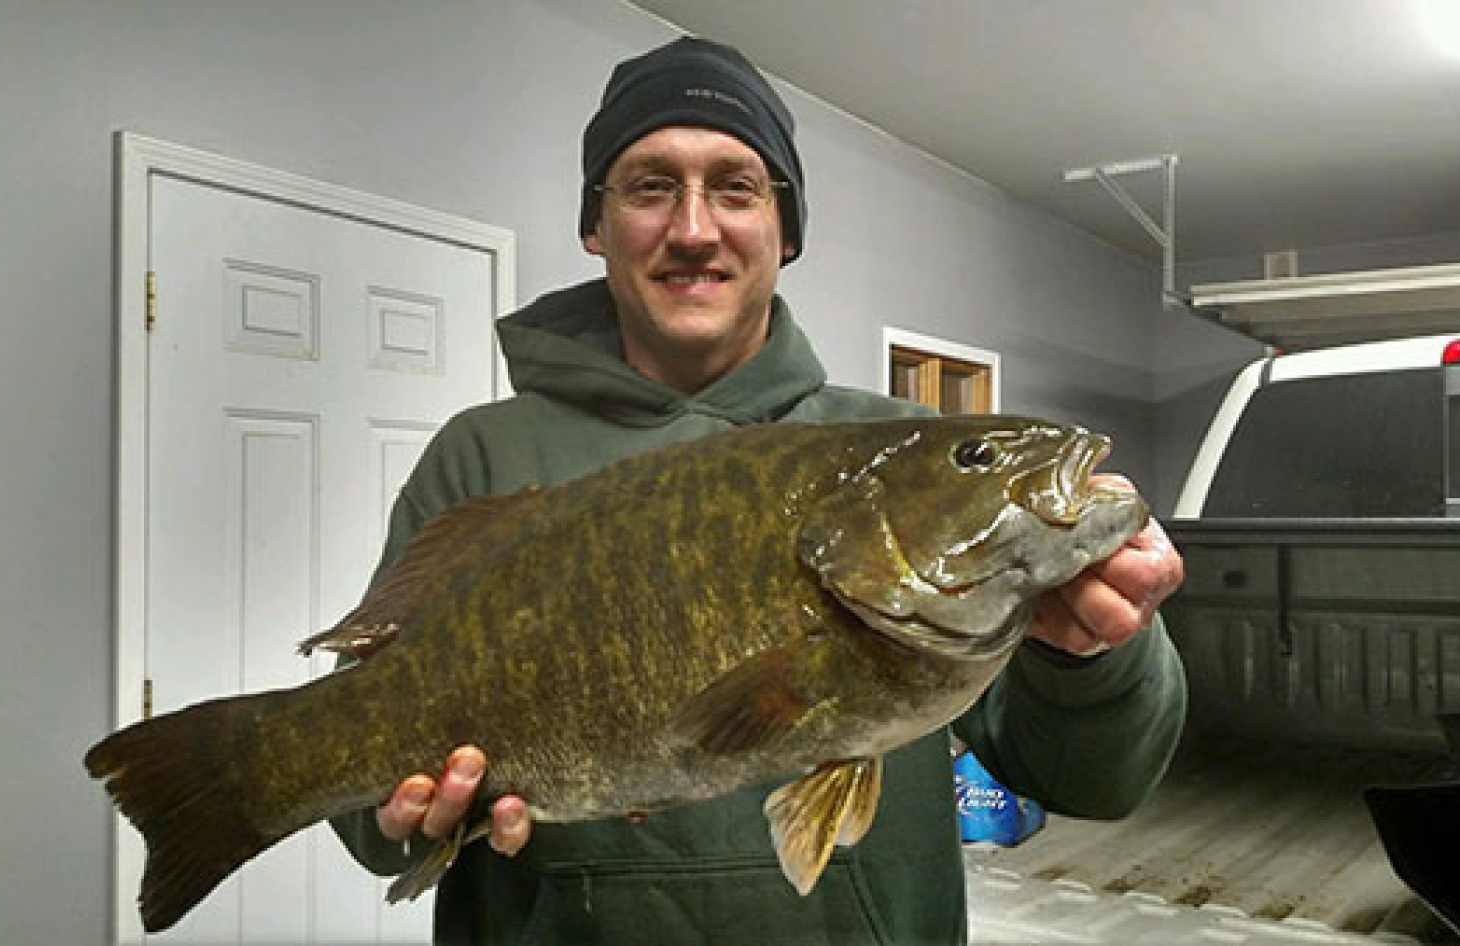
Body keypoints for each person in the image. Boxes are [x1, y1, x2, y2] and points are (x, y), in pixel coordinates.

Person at [331, 35, 1186, 944]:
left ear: (788, 229)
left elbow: (1101, 781)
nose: (693, 228)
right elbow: (362, 811)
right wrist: (395, 812)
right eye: (650, 185)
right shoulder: (482, 456)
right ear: (597, 224)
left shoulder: (904, 450)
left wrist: (1093, 653)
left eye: (737, 187)